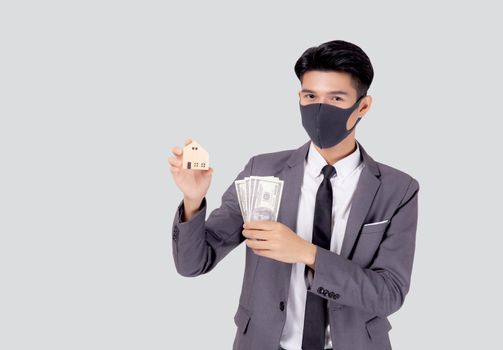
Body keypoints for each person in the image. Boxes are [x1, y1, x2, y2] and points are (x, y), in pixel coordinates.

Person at [168, 40, 419, 350]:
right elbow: (193, 264)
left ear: (363, 106)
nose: (319, 108)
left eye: (336, 98)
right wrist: (193, 201)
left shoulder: (399, 189)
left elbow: (388, 294)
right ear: (299, 97)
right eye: (310, 96)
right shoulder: (260, 169)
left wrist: (306, 253)